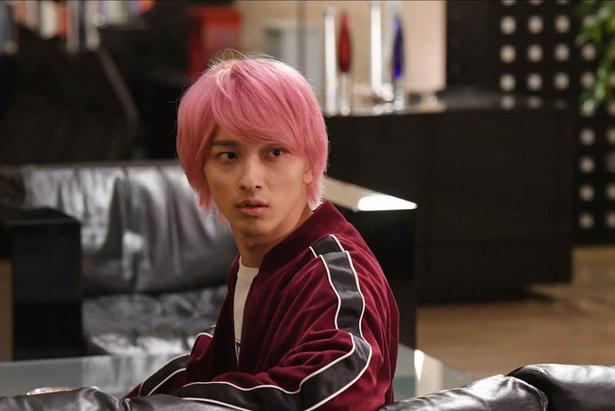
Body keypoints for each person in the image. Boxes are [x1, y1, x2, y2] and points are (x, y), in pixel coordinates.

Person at [0, 57, 399, 411]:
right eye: (229, 155)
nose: (250, 179)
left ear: (309, 164)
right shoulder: (259, 264)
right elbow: (209, 372)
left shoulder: (333, 272)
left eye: (275, 153)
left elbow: (339, 390)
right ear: (201, 171)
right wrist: (99, 401)